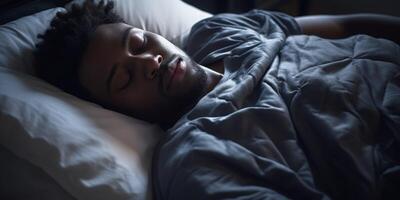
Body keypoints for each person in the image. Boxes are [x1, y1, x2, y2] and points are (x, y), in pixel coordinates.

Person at [34, 0, 400, 199]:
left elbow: (345, 25)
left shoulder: (218, 31)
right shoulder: (194, 158)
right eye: (125, 78)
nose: (149, 62)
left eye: (141, 43)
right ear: (116, 111)